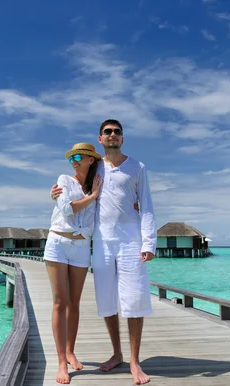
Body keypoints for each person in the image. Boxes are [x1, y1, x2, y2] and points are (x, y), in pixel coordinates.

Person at [51, 119, 157, 385]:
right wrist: (55, 194)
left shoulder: (137, 167)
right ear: (100, 139)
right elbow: (73, 187)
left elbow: (147, 205)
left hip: (131, 241)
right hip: (101, 242)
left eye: (117, 132)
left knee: (133, 300)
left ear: (122, 138)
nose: (112, 135)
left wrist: (149, 243)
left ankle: (135, 361)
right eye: (107, 132)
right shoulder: (94, 167)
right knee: (107, 300)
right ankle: (117, 353)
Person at [44, 142, 104, 384]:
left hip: (81, 248)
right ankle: (61, 362)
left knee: (75, 303)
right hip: (58, 243)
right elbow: (67, 209)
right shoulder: (64, 180)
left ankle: (70, 351)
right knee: (60, 302)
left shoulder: (98, 183)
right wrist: (93, 197)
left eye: (79, 156)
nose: (74, 161)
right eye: (72, 158)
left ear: (91, 159)